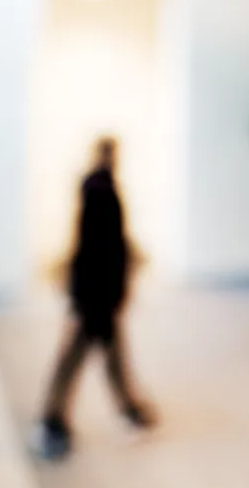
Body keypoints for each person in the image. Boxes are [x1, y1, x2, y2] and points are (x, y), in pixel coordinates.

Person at [36, 138, 156, 459]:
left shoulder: (100, 187)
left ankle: (126, 408)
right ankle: (53, 419)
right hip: (96, 294)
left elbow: (107, 241)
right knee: (77, 356)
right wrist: (100, 290)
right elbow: (98, 246)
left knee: (108, 355)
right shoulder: (99, 189)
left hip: (98, 292)